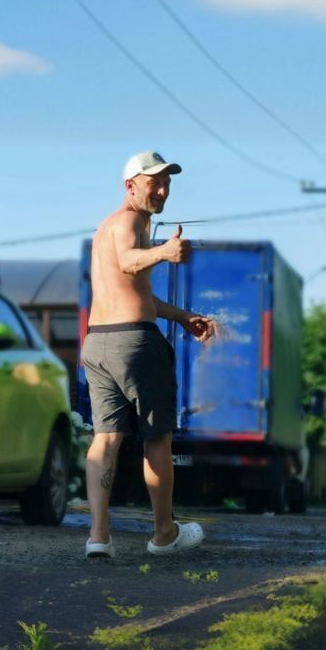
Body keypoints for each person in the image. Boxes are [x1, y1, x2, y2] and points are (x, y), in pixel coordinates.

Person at [82, 150, 216, 559]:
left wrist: (180, 317)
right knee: (157, 439)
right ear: (130, 185)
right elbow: (127, 264)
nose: (161, 190)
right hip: (136, 345)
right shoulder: (129, 221)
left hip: (98, 342)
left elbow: (134, 293)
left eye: (167, 183)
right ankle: (163, 534)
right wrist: (163, 252)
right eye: (153, 182)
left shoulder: (106, 226)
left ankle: (98, 537)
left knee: (105, 439)